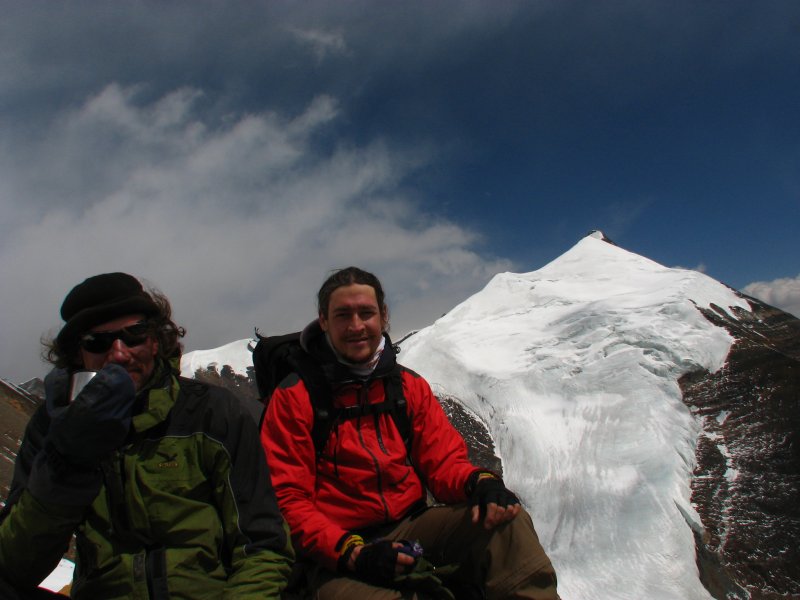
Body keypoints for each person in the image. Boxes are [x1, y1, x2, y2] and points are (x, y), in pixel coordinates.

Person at [260, 267, 557, 599]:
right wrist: (353, 552)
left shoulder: (407, 387)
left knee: (507, 525)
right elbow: (288, 501)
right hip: (336, 550)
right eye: (343, 315)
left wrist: (481, 482)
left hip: (411, 528)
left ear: (384, 317)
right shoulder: (295, 397)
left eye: (366, 313)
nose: (356, 326)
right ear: (324, 321)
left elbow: (443, 463)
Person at [0, 272, 294, 599]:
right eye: (98, 342)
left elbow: (262, 544)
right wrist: (67, 461)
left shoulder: (211, 412)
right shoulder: (54, 427)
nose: (120, 353)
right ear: (77, 353)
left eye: (135, 335)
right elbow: (15, 565)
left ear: (156, 339)